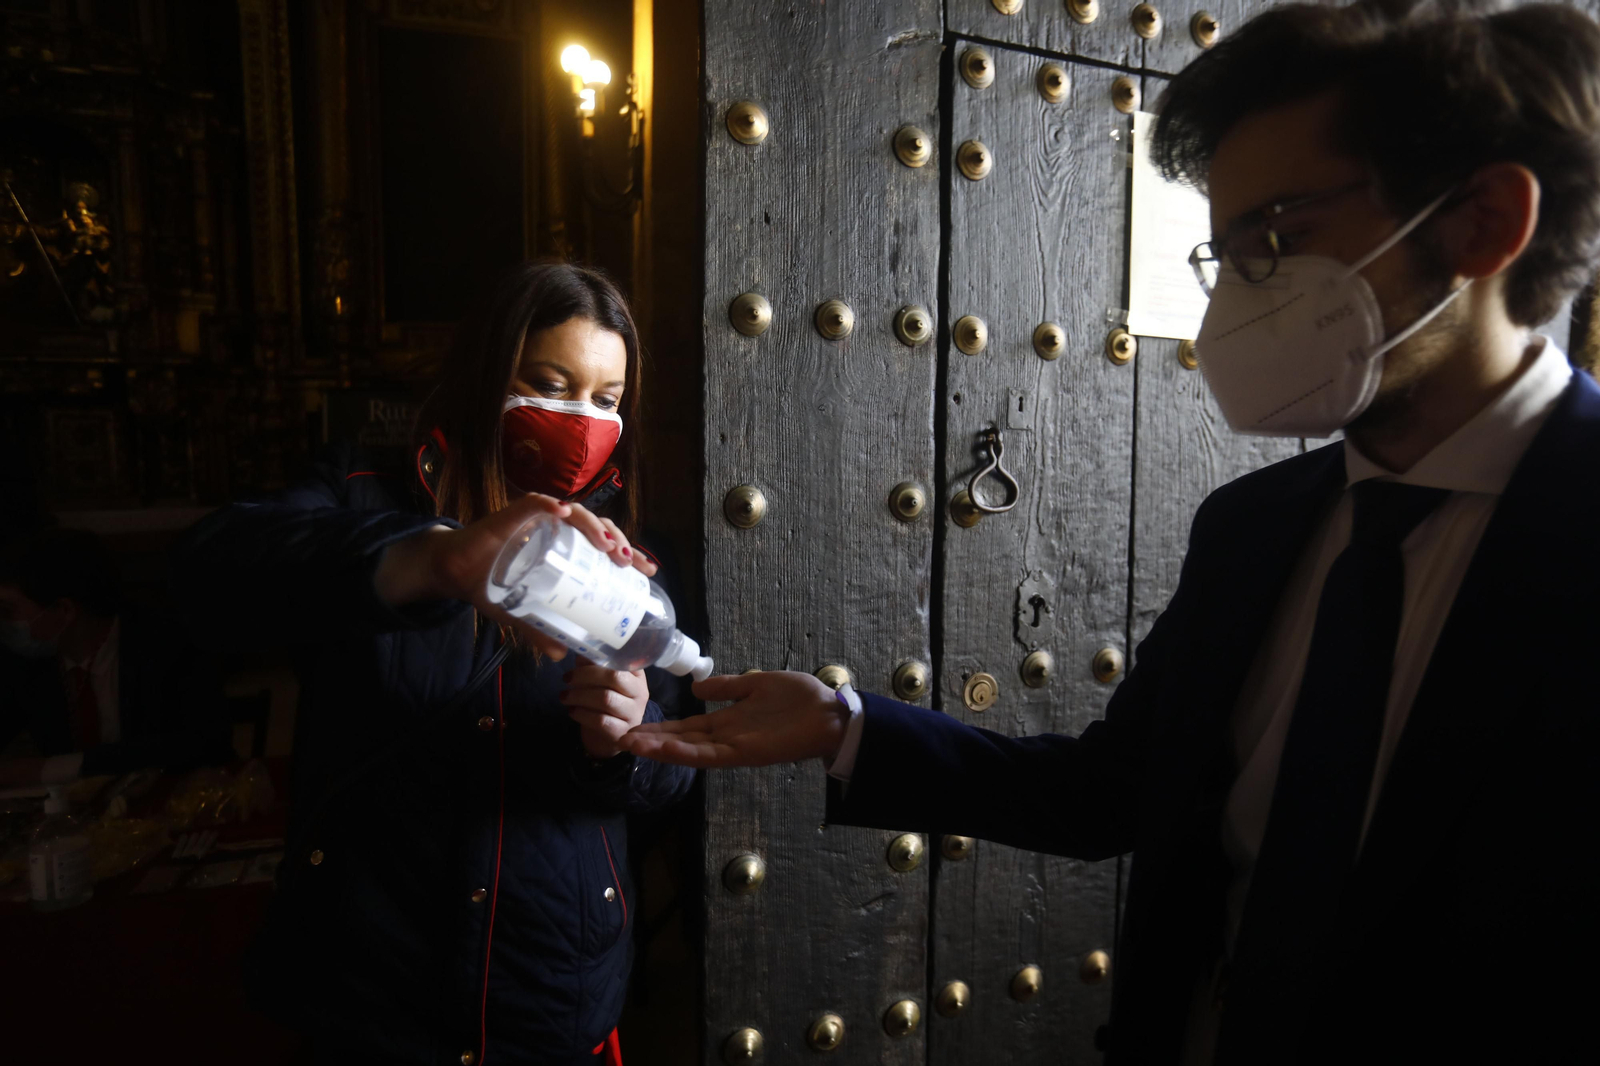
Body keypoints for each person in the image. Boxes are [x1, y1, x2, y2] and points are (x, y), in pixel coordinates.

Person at [621, 2, 1600, 1063]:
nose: (1239, 300)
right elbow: (1116, 791)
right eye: (1224, 255)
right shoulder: (1254, 528)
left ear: (1481, 221)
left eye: (1278, 237)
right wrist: (843, 724)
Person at [173, 262, 696, 1066]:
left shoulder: (621, 565)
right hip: (374, 992)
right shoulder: (363, 497)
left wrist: (623, 743)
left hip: (547, 990)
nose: (581, 419)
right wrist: (428, 563)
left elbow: (666, 777)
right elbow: (204, 580)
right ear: (489, 375)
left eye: (606, 400)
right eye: (550, 384)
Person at [0, 527, 230, 784]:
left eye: (8, 610)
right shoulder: (26, 661)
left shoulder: (166, 644)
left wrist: (54, 768)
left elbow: (203, 742)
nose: (4, 622)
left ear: (64, 610)